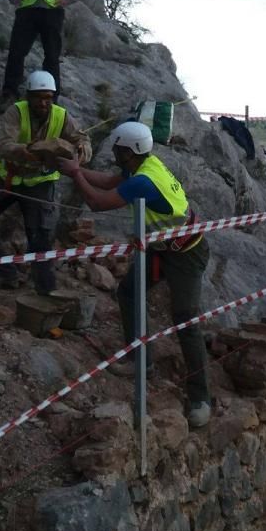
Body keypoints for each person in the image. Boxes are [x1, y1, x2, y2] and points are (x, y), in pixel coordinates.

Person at [58, 122, 212, 428]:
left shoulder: (144, 181)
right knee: (129, 292)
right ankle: (141, 359)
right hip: (162, 247)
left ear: (128, 152)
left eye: (117, 148)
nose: (114, 152)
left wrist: (76, 174)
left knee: (185, 320)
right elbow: (109, 181)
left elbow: (98, 202)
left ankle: (200, 398)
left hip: (185, 254)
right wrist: (76, 169)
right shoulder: (145, 164)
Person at [0, 70, 91, 293]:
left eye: (48, 98)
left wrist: (80, 153)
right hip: (11, 177)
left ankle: (45, 293)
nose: (43, 103)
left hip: (40, 184)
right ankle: (8, 270)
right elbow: (4, 145)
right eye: (38, 97)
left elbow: (83, 140)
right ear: (28, 96)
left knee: (40, 238)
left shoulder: (62, 116)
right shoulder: (16, 112)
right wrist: (28, 152)